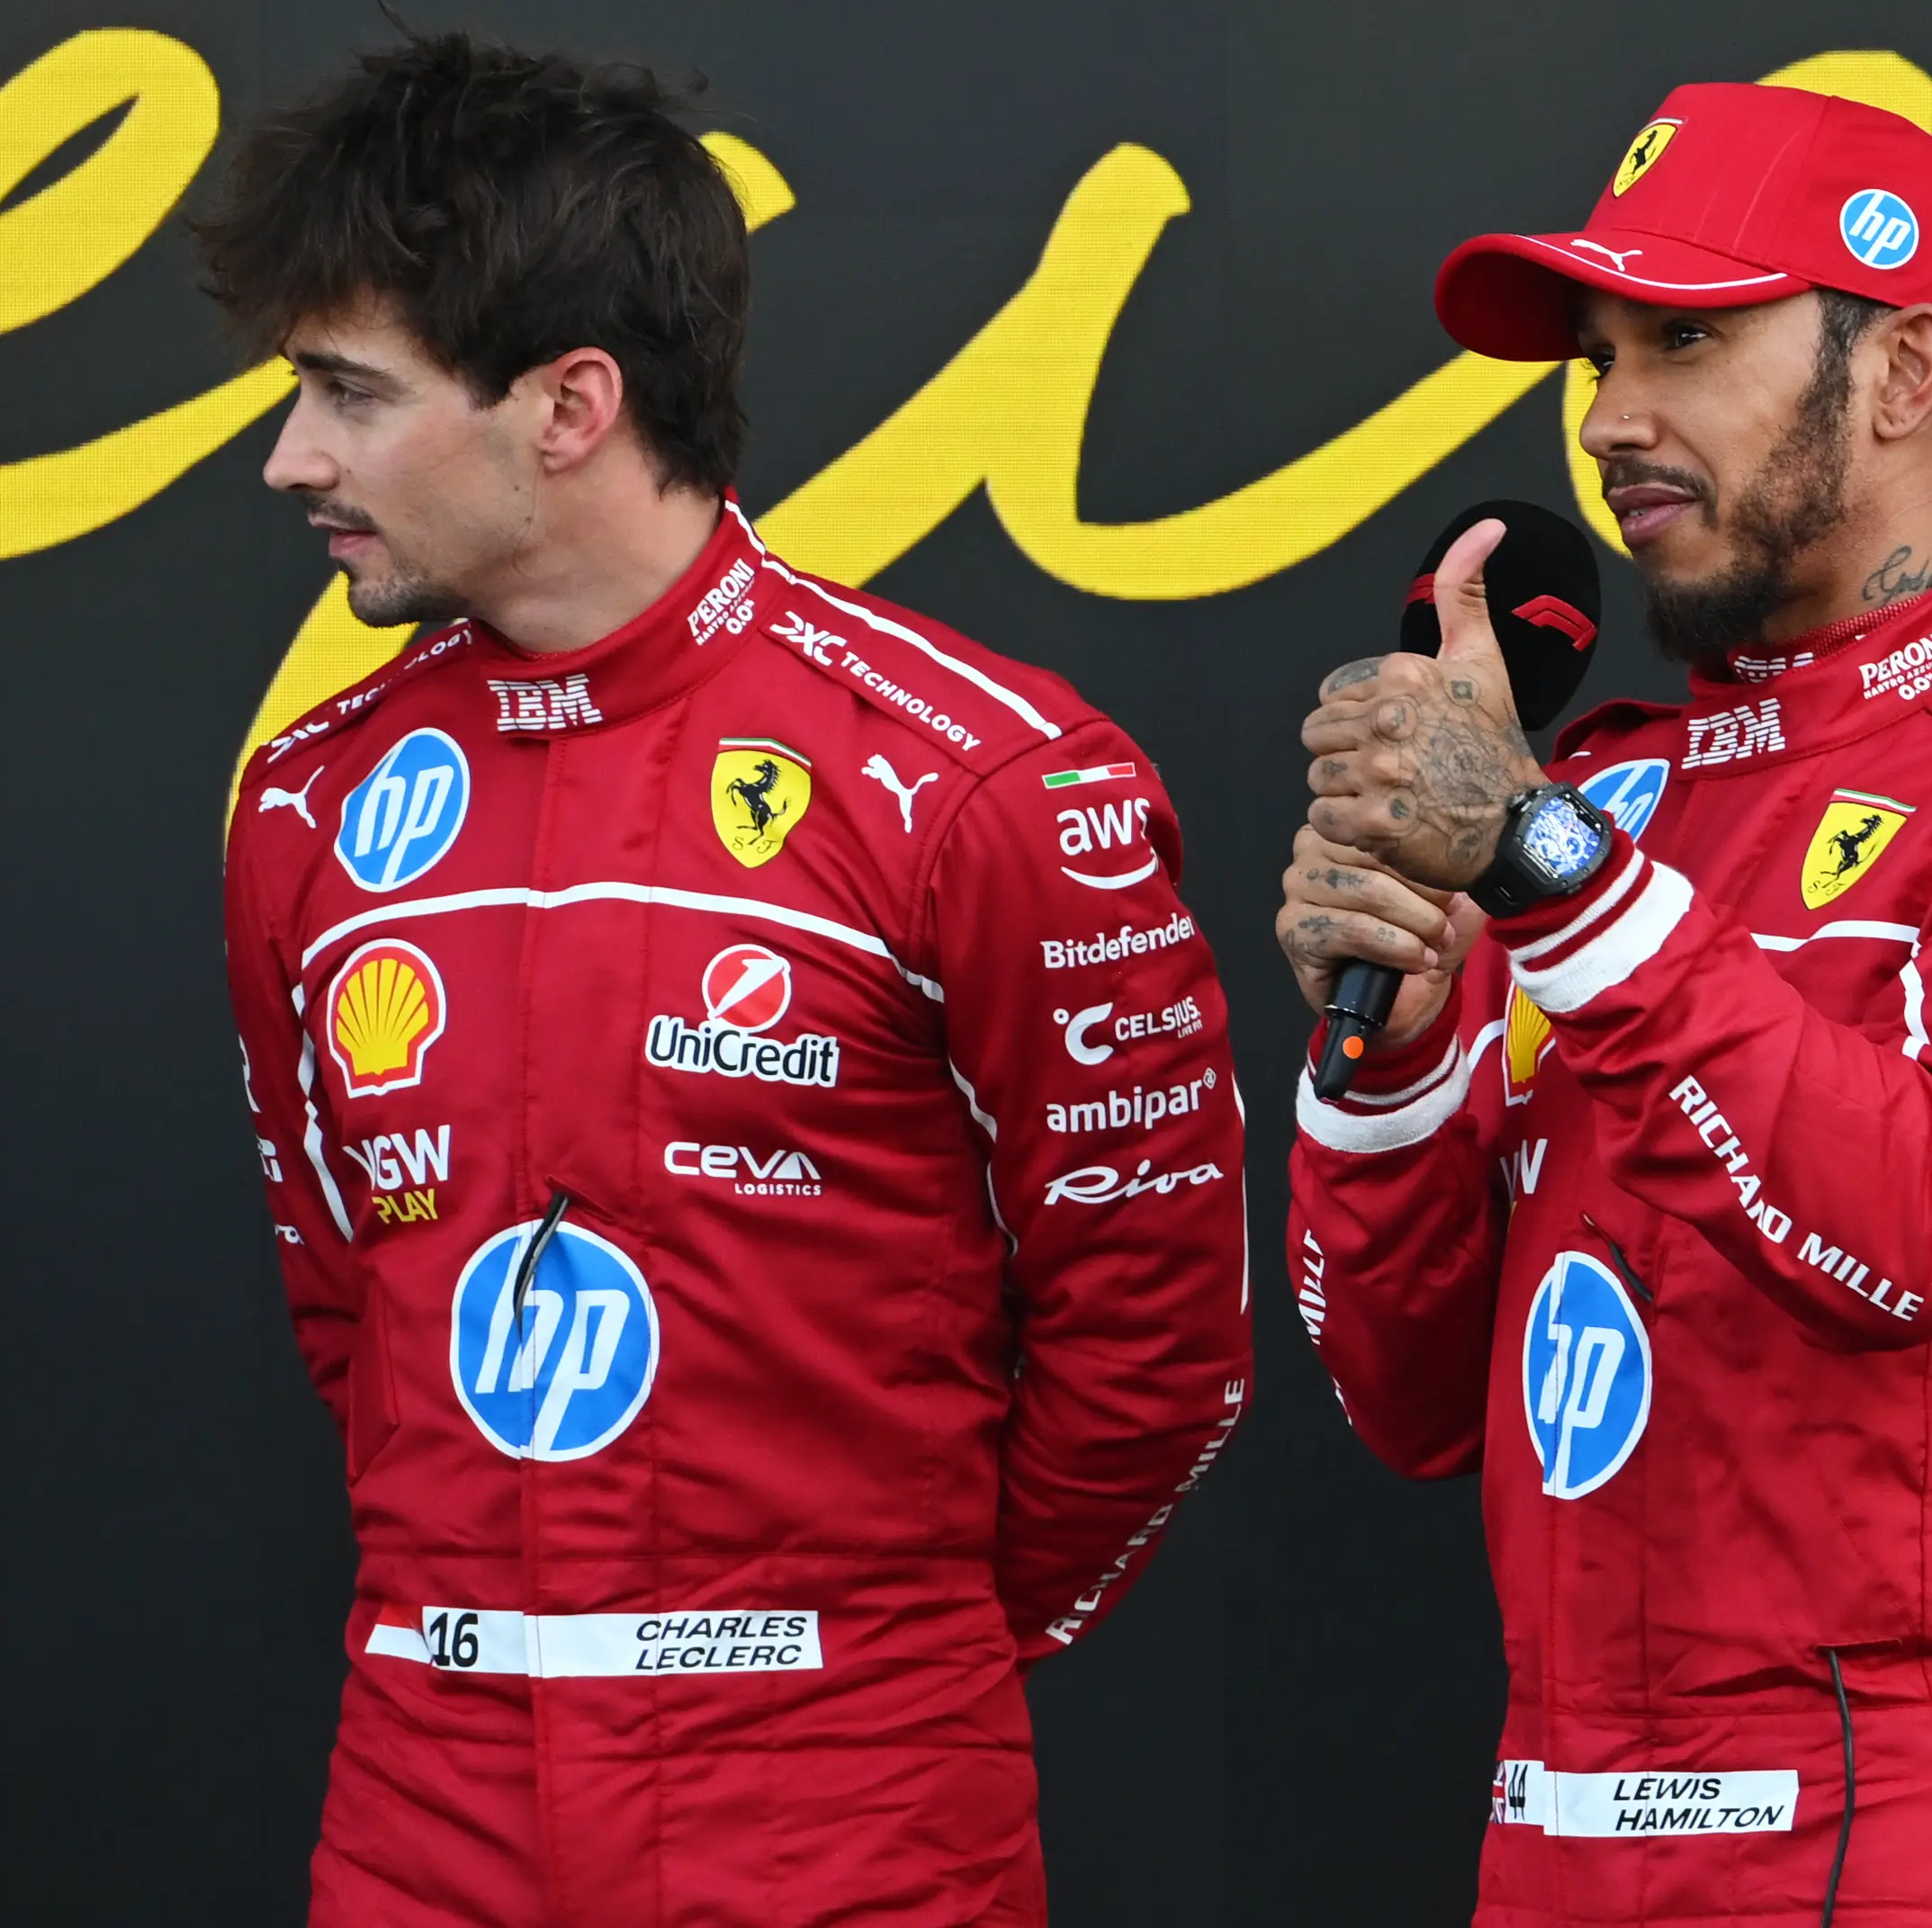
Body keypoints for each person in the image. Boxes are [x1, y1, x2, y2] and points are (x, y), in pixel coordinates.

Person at [207, 36, 1249, 1926]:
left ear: (570, 404)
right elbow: (350, 1315)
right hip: (424, 1812)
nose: (294, 457)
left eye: (349, 392)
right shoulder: (308, 805)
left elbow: (1152, 1347)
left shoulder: (981, 780)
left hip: (849, 1820)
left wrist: (878, 1661)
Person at [1278, 82, 1932, 1925]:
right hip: (1552, 1830)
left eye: (1685, 342)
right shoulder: (1609, 796)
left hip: (1909, 1832)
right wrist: (1391, 1062)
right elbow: (1407, 1403)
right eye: (1599, 357)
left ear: (1902, 371)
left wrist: (1551, 870)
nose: (1607, 420)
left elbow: (1923, 1226)